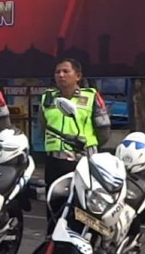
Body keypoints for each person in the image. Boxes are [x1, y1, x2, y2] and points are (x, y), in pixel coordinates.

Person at [41, 58, 112, 221]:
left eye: (66, 71)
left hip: (82, 162)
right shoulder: (47, 97)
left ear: (78, 76)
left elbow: (104, 130)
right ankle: (53, 242)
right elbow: (42, 125)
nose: (61, 75)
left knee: (82, 210)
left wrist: (88, 147)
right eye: (57, 72)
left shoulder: (91, 96)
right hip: (54, 162)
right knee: (54, 208)